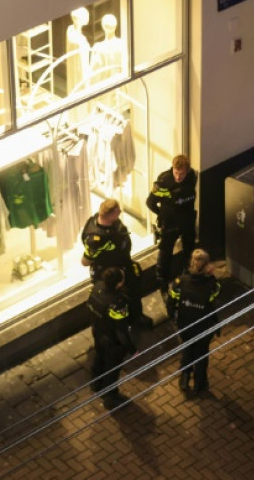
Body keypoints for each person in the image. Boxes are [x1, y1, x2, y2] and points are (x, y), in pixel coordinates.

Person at [81, 199, 153, 329]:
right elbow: (85, 261)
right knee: (118, 300)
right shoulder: (95, 238)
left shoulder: (113, 222)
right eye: (117, 211)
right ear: (110, 214)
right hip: (111, 274)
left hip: (124, 265)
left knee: (134, 292)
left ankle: (137, 317)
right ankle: (119, 328)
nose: (120, 212)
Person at [167, 249, 220, 396]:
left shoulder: (181, 282)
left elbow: (171, 302)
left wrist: (174, 318)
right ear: (207, 265)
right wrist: (211, 276)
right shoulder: (211, 284)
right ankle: (200, 384)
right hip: (203, 327)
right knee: (201, 355)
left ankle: (184, 380)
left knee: (188, 350)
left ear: (191, 263)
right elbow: (215, 296)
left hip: (185, 324)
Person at [87, 267, 137, 409]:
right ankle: (110, 397)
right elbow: (121, 331)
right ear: (118, 284)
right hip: (111, 340)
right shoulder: (118, 303)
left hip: (97, 332)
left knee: (99, 357)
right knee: (112, 368)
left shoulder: (97, 287)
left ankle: (96, 384)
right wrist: (132, 349)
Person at [146, 154, 198, 288]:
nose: (178, 177)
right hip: (170, 223)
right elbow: (150, 202)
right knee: (165, 252)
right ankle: (162, 280)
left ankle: (188, 275)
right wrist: (161, 214)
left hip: (187, 220)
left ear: (187, 170)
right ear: (172, 169)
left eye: (181, 174)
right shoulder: (164, 181)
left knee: (189, 248)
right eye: (176, 173)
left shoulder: (192, 176)